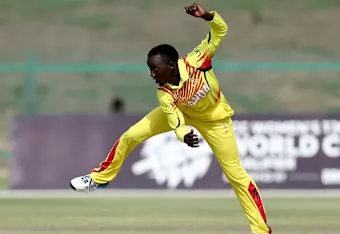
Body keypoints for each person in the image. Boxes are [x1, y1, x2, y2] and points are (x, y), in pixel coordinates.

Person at [70, 3, 272, 234]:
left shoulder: (197, 61)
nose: (151, 74)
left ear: (171, 66)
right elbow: (175, 119)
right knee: (131, 135)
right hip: (184, 113)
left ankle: (261, 231)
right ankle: (99, 178)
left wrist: (207, 17)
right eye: (150, 69)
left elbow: (221, 31)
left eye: (155, 69)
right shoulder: (164, 92)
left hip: (216, 121)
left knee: (237, 176)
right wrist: (183, 134)